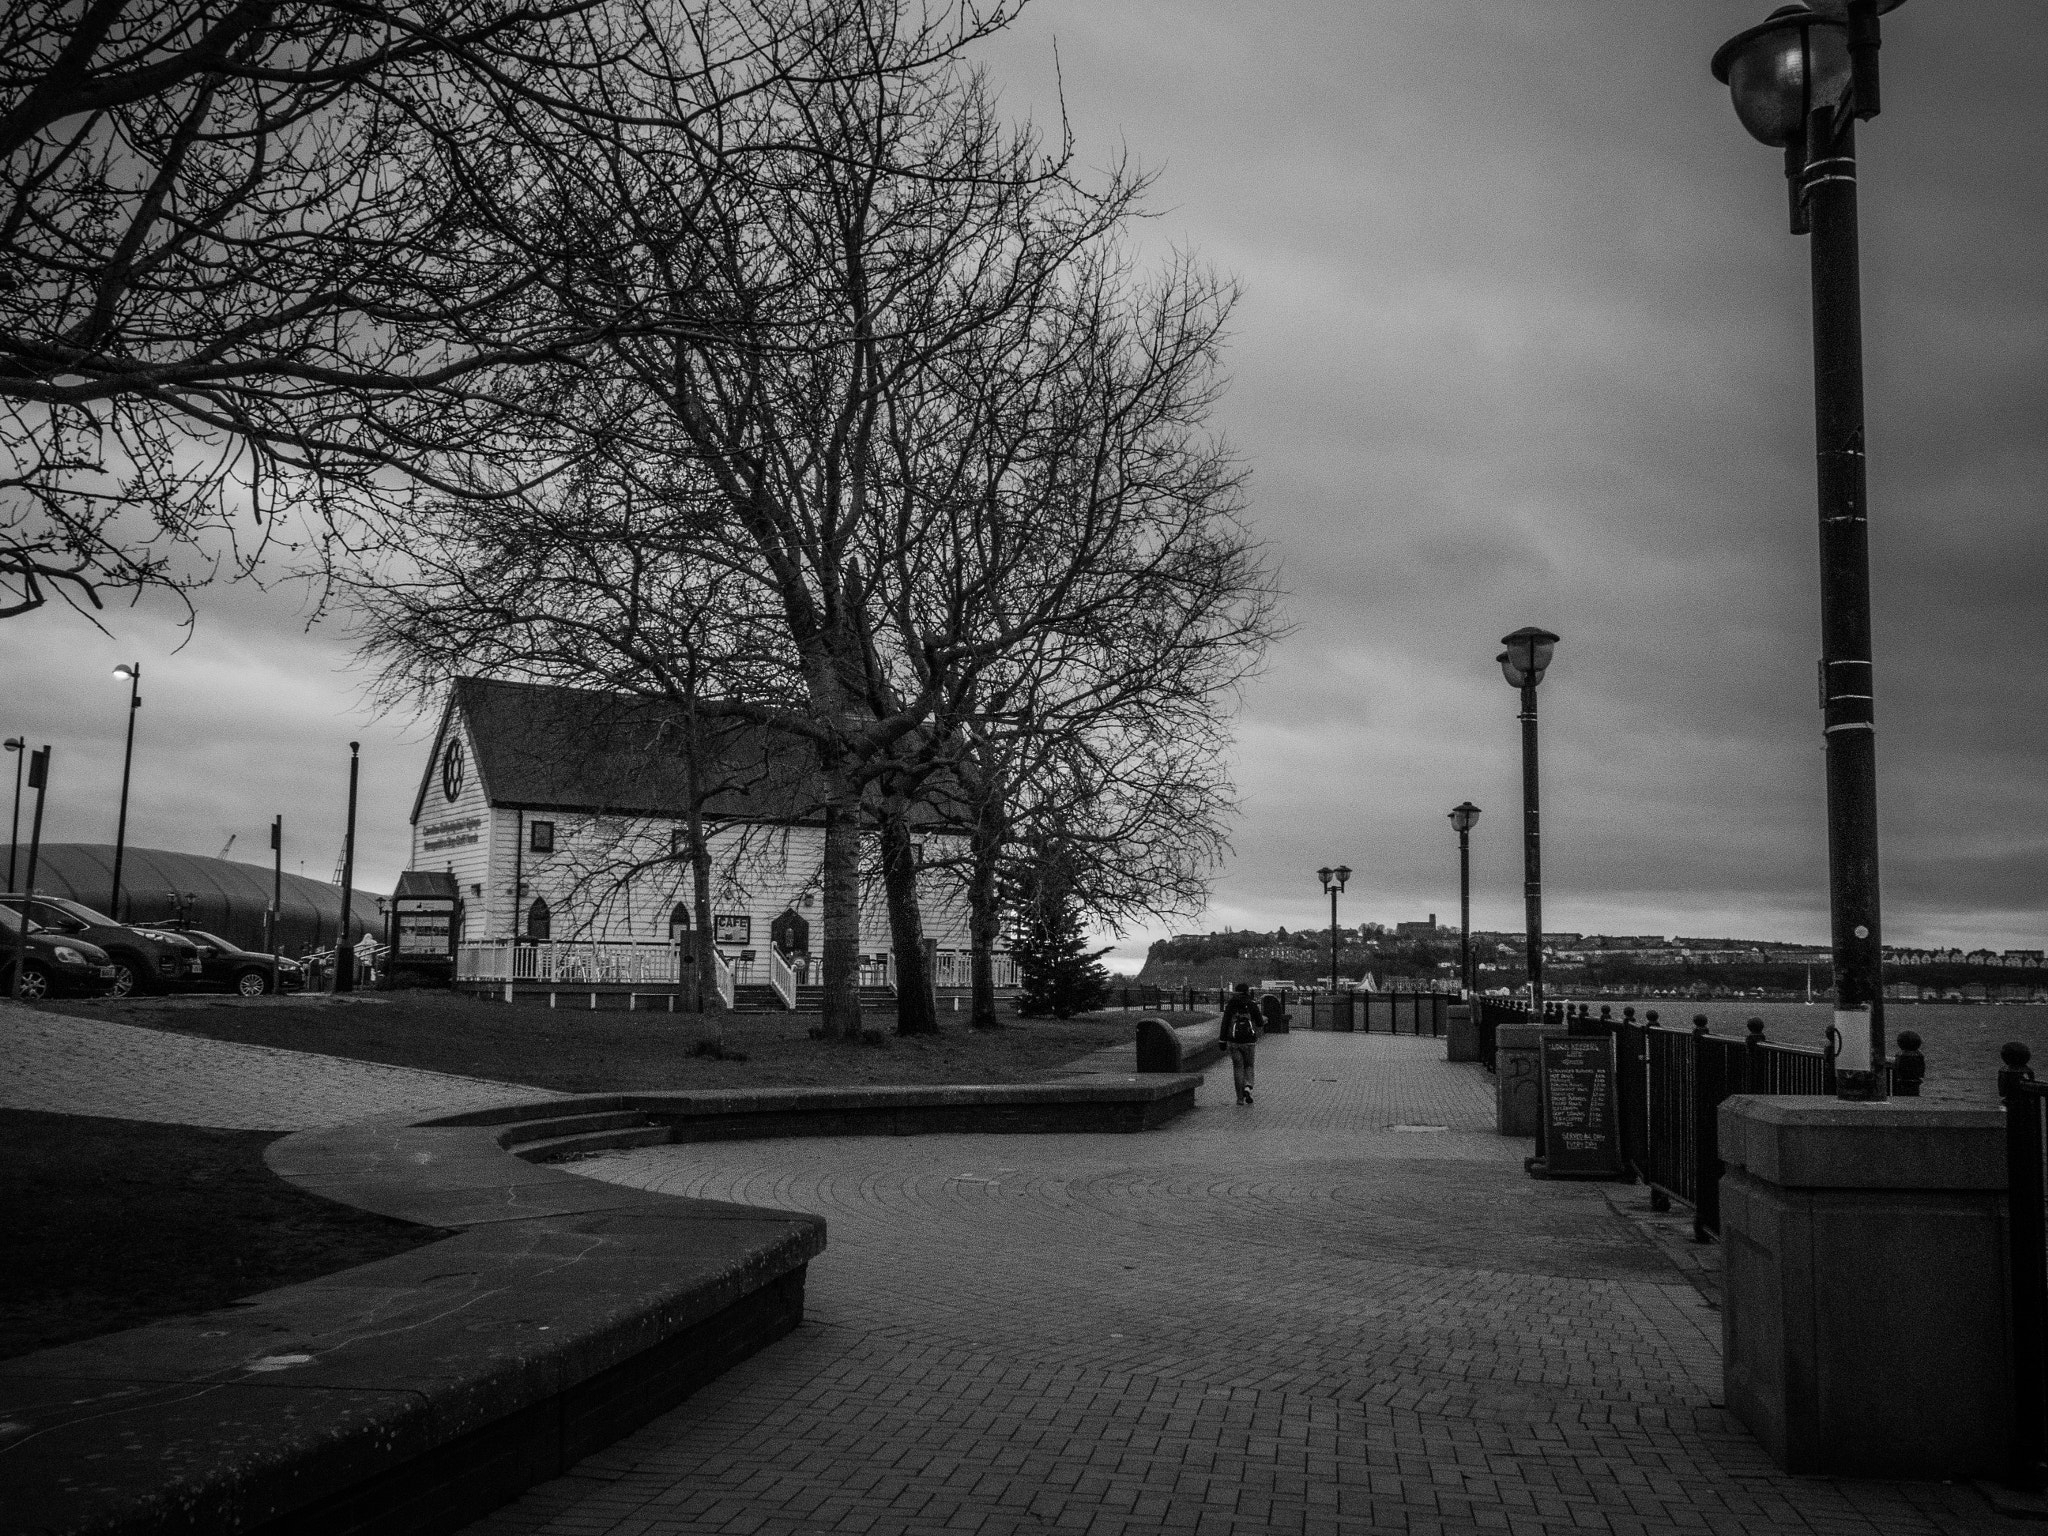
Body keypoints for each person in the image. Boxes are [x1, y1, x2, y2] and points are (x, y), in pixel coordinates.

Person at [1219, 981, 1261, 1105]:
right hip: (1249, 1042)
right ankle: (1248, 1087)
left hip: (1234, 1041)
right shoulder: (1251, 1004)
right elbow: (1259, 1022)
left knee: (1238, 1068)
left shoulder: (1231, 1004)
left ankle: (1239, 1099)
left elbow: (1225, 1022)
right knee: (1249, 1066)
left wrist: (1222, 1040)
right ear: (1247, 991)